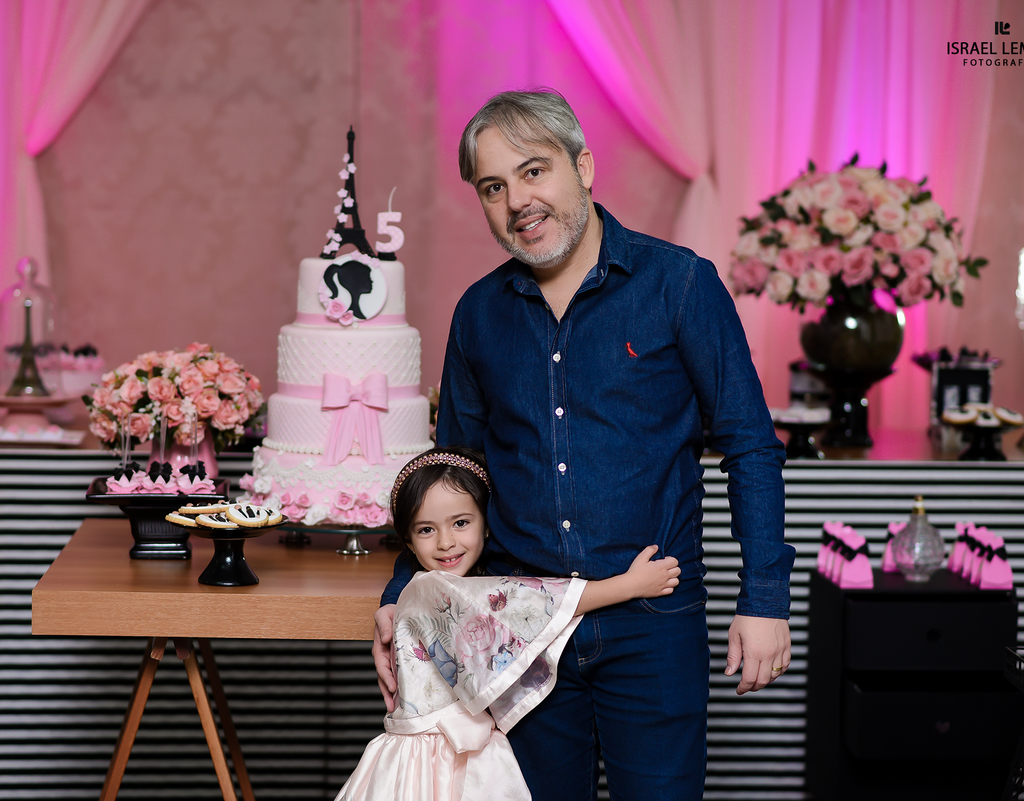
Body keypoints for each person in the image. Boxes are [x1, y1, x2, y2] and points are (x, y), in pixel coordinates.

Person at [373, 89, 796, 799]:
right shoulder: (478, 313)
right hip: (517, 627)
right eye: (493, 187)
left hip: (654, 619)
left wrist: (765, 599)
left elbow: (750, 445)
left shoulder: (680, 284)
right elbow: (451, 478)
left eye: (534, 171)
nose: (517, 201)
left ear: (584, 166)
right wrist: (403, 596)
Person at [338, 447, 681, 801]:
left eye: (460, 523)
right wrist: (628, 586)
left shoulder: (463, 581)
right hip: (435, 761)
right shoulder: (428, 589)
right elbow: (530, 602)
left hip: (464, 749)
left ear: (488, 524)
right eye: (426, 529)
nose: (445, 542)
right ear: (408, 542)